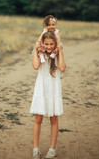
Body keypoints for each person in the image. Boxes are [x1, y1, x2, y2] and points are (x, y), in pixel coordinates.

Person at [30, 31, 66, 159]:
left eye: (52, 44)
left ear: (55, 43)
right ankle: (36, 149)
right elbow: (35, 66)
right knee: (38, 118)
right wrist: (35, 50)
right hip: (41, 87)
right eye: (47, 44)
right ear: (43, 43)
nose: (49, 46)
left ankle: (52, 149)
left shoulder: (57, 53)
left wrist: (60, 51)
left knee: (54, 119)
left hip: (54, 88)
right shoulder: (39, 52)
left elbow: (62, 68)